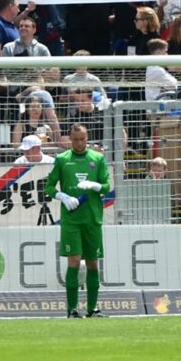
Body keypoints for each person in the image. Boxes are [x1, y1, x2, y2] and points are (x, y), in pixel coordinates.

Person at [44, 123, 113, 318]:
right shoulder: (62, 160)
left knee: (92, 263)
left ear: (87, 138)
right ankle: (72, 309)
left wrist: (95, 185)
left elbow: (107, 186)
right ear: (69, 140)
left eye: (82, 139)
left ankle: (92, 309)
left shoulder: (97, 159)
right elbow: (49, 187)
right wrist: (63, 197)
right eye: (75, 140)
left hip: (92, 218)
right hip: (71, 220)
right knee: (74, 261)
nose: (79, 143)